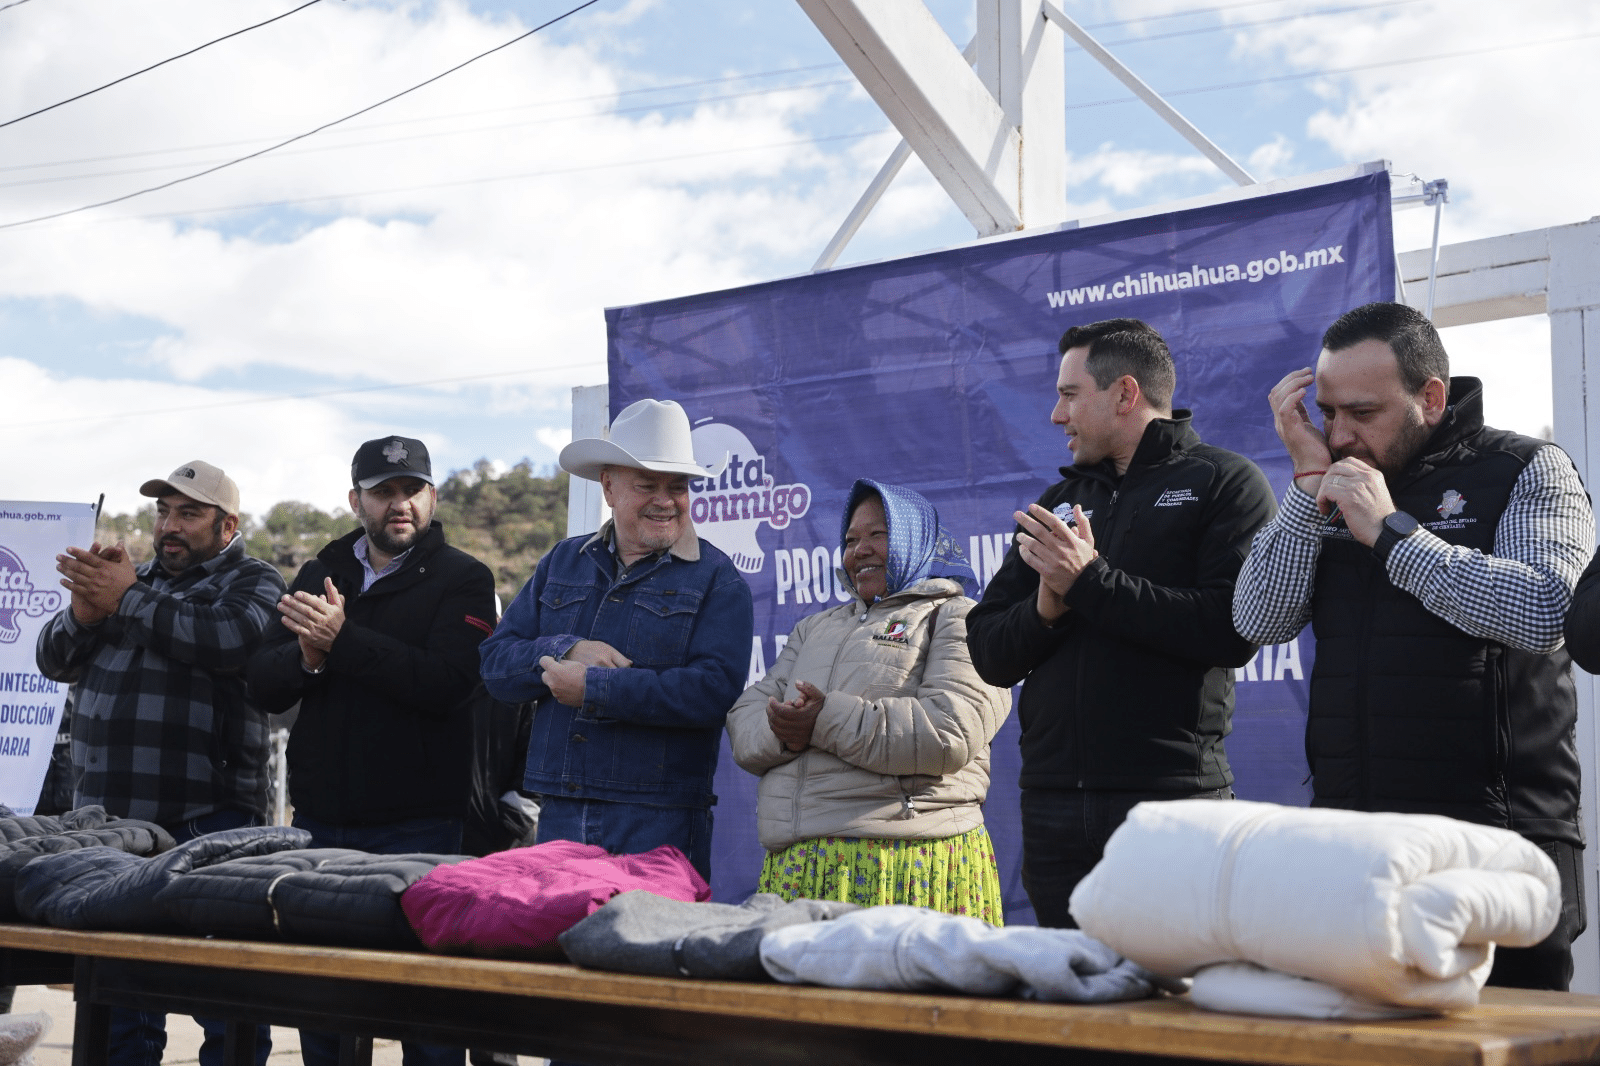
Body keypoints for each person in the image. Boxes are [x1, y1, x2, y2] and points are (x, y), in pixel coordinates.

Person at [1233, 301, 1594, 991]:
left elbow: (1546, 610)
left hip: (1496, 845)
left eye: (1361, 413)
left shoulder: (1527, 467)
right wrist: (1308, 484)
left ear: (1430, 397)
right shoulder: (1332, 481)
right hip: (1358, 844)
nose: (1339, 433)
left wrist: (1394, 535)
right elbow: (1257, 618)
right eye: (1328, 412)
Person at [965, 318, 1275, 928]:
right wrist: (1048, 609)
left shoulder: (1223, 481)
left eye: (1070, 395)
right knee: (1068, 1008)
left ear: (1126, 394)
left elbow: (1231, 629)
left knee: (1173, 1012)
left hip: (1171, 801)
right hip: (1052, 807)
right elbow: (989, 651)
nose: (1057, 415)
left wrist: (1089, 583)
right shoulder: (1058, 504)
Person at [246, 435, 495, 1066]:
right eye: (384, 492)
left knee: (428, 1008)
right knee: (324, 1002)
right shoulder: (317, 572)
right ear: (356, 500)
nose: (400, 504)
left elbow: (450, 684)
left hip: (423, 825)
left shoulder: (464, 578)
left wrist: (341, 640)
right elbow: (263, 684)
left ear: (433, 497)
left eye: (412, 490)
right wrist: (307, 655)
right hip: (325, 822)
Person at [36, 460, 285, 1066]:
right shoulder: (132, 581)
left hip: (208, 820)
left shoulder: (255, 581)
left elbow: (228, 639)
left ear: (226, 525)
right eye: (163, 511)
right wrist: (85, 616)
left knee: (224, 998)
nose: (170, 526)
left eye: (188, 513)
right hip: (108, 825)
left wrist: (125, 600)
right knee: (118, 999)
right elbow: (51, 658)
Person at [479, 398, 753, 882]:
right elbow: (495, 665)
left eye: (678, 486)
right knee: (561, 951)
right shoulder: (559, 563)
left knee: (648, 953)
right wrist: (563, 648)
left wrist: (595, 689)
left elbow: (714, 692)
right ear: (608, 486)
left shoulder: (718, 579)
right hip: (561, 808)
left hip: (660, 816)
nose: (666, 500)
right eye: (648, 485)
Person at [727, 480, 1011, 922]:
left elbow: (949, 731)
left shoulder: (957, 617)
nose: (859, 550)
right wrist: (789, 732)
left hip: (906, 860)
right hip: (799, 869)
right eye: (850, 540)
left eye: (877, 535)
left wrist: (822, 721)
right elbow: (746, 720)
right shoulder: (813, 628)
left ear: (914, 536)